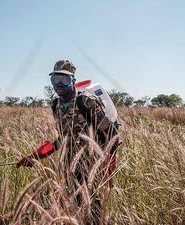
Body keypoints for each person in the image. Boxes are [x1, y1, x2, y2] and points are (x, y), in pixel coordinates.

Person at [17, 60, 119, 224]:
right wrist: (35, 156)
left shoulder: (86, 101)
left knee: (95, 209)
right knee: (75, 207)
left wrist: (109, 164)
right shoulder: (56, 105)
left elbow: (113, 135)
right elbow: (62, 140)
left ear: (73, 80)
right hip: (70, 164)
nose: (58, 84)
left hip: (93, 164)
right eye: (54, 79)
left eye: (64, 80)